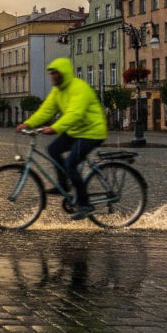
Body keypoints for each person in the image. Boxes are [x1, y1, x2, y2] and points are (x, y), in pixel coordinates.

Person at [16, 57, 107, 220]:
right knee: (52, 149)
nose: (52, 78)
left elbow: (75, 113)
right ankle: (63, 185)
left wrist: (55, 128)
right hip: (75, 131)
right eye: (50, 74)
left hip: (91, 132)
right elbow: (46, 110)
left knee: (70, 163)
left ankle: (85, 204)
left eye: (54, 74)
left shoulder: (79, 88)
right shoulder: (58, 91)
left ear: (62, 74)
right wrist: (27, 124)